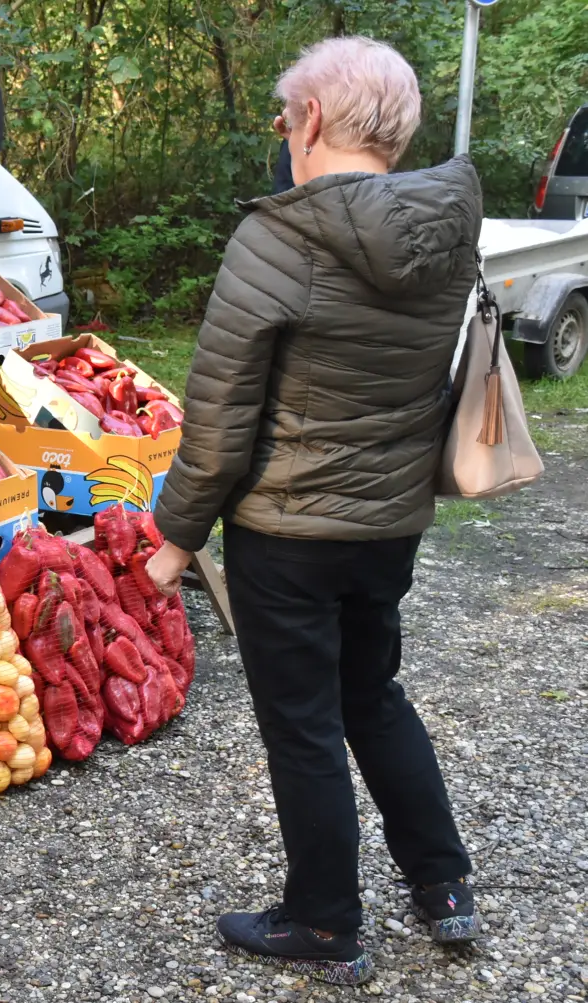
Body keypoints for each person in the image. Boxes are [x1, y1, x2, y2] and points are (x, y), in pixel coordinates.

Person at [143, 36, 481, 985]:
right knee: (372, 695)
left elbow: (217, 419)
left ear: (313, 122)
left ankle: (326, 923)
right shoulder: (447, 231)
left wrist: (174, 537)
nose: (284, 134)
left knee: (303, 723)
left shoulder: (280, 237)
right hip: (389, 525)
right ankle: (444, 884)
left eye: (286, 116)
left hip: (289, 533)